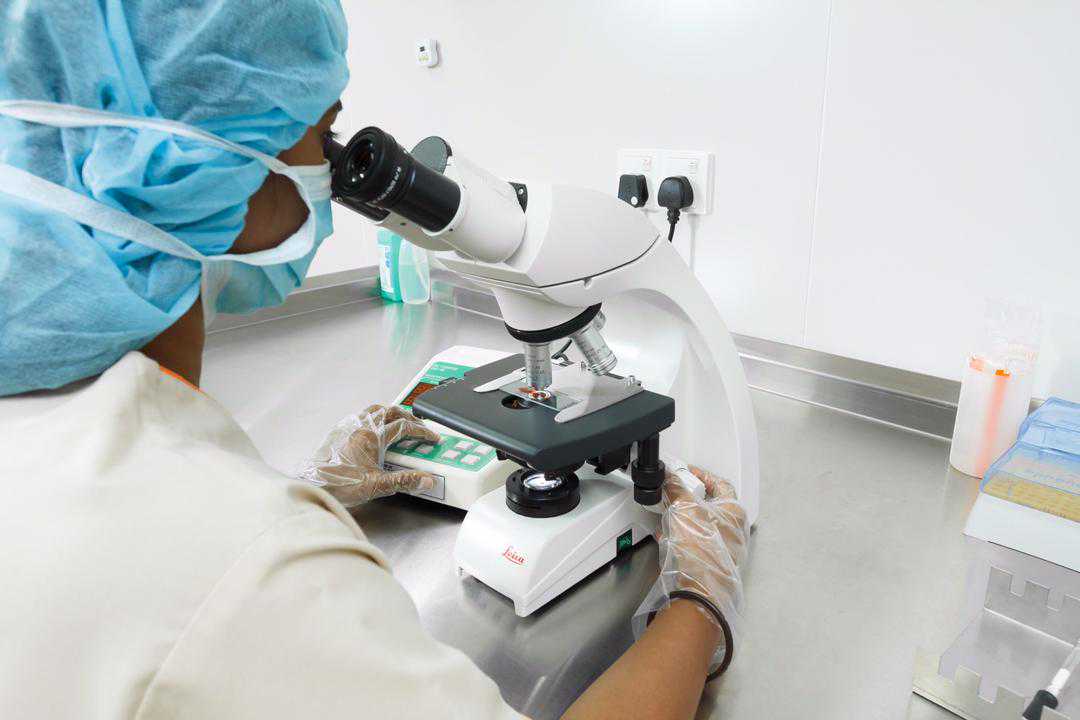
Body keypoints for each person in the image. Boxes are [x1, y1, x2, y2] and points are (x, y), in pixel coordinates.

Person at [0, 2, 749, 719]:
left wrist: (314, 487)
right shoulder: (243, 572)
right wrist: (699, 601)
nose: (331, 170)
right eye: (320, 133)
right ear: (207, 164)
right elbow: (211, 573)